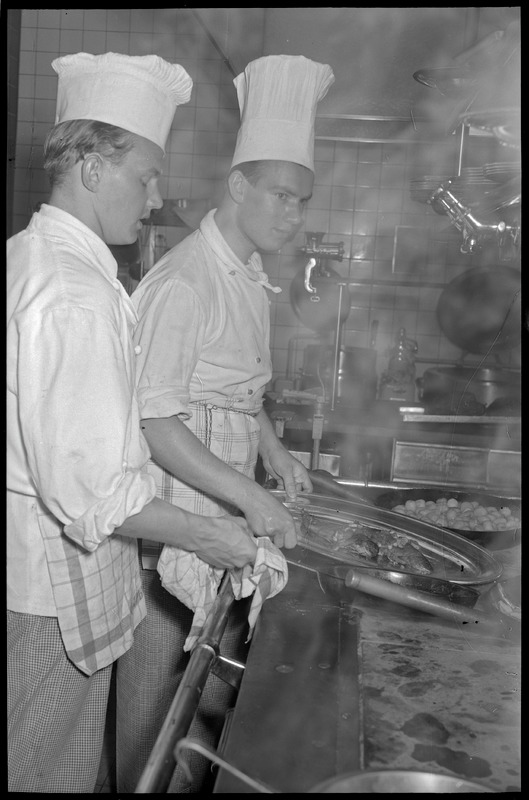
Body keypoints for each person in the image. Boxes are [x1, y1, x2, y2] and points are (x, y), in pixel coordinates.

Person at [6, 51, 260, 794]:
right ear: (92, 167)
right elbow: (94, 493)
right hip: (48, 598)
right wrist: (207, 533)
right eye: (146, 176)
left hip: (45, 584)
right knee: (40, 775)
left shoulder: (35, 257)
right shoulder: (72, 292)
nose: (156, 198)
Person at [116, 54, 335, 792]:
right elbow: (155, 424)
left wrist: (274, 454)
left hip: (222, 520)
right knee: (156, 722)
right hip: (172, 535)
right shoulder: (185, 281)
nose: (293, 215)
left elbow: (237, 391)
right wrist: (250, 497)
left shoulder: (247, 275)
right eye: (280, 195)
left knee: (198, 706)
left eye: (301, 201)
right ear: (238, 186)